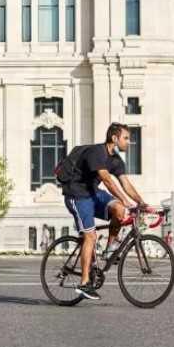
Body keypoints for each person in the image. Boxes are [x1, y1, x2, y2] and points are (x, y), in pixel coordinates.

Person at [59, 123, 150, 301]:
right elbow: (107, 180)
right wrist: (125, 199)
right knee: (90, 237)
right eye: (126, 138)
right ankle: (84, 283)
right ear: (114, 138)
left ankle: (109, 248)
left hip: (92, 193)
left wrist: (141, 202)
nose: (129, 142)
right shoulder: (96, 152)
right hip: (76, 194)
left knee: (119, 209)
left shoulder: (116, 160)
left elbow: (125, 183)